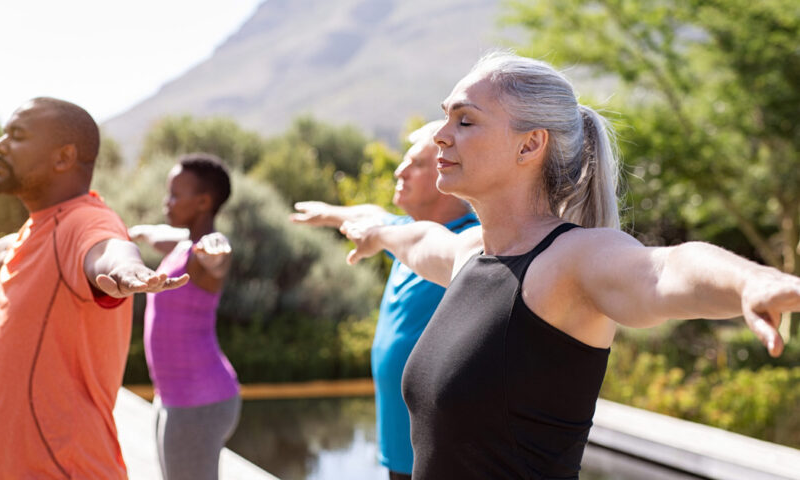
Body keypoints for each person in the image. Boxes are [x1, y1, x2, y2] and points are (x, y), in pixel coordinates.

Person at [340, 52, 800, 479]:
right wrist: (373, 228)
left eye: (464, 120)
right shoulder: (471, 254)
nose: (440, 134)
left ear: (529, 146)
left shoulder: (569, 261)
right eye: (445, 117)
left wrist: (752, 280)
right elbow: (417, 238)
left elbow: (665, 269)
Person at [0, 97, 188, 479]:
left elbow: (109, 248)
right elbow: (1, 251)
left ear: (63, 157)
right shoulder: (37, 230)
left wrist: (128, 271)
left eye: (16, 136)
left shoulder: (85, 221)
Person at [290, 122, 478, 480]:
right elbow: (370, 216)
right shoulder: (402, 237)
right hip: (399, 453)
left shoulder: (466, 245)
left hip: (444, 459)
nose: (399, 171)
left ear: (448, 175)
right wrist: (329, 213)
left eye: (415, 164)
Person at [129, 153, 240, 480]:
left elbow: (217, 258)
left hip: (199, 401)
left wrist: (216, 255)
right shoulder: (181, 244)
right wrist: (134, 231)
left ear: (204, 201)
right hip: (174, 396)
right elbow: (158, 233)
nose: (167, 202)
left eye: (176, 195)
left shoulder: (203, 252)